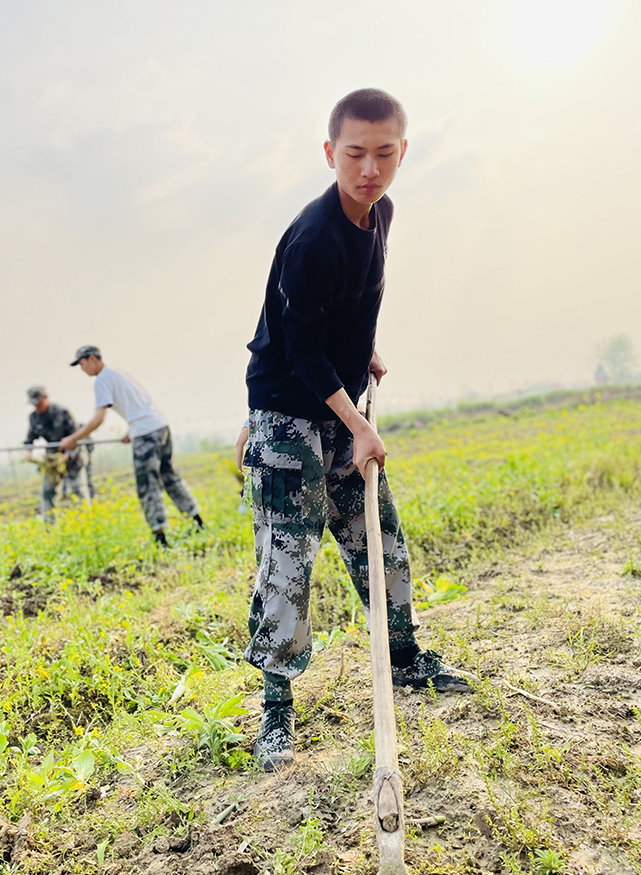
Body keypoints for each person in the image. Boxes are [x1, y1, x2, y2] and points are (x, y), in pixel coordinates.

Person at [238, 88, 471, 773]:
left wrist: (362, 351)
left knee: (378, 535)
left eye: (384, 153)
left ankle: (404, 656)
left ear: (402, 151)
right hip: (288, 411)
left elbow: (355, 302)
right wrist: (358, 424)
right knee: (288, 557)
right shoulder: (313, 238)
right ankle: (275, 710)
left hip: (339, 396)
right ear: (329, 153)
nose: (369, 169)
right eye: (354, 154)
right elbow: (300, 349)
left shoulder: (381, 213)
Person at [60, 347, 202, 547]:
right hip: (160, 426)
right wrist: (132, 428)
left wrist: (73, 439)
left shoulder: (101, 380)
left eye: (81, 364)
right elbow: (140, 404)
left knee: (148, 485)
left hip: (145, 433)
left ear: (92, 359)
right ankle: (197, 522)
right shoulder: (119, 373)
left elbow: (99, 418)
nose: (81, 369)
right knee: (170, 477)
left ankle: (160, 538)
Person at [24, 386, 90, 522]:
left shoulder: (62, 412)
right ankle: (49, 524)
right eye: (34, 404)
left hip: (73, 456)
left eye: (39, 403)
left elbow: (76, 435)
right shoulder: (34, 417)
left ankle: (85, 522)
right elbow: (30, 438)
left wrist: (67, 454)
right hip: (53, 460)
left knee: (78, 490)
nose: (37, 407)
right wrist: (29, 454)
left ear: (46, 398)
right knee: (47, 492)